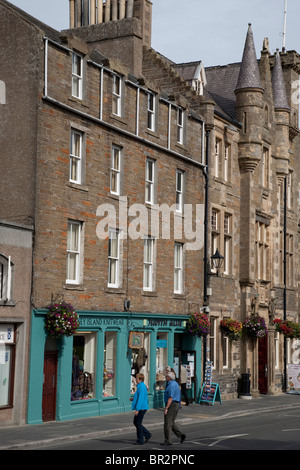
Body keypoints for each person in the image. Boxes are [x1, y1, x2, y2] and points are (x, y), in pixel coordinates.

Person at [161, 371, 186, 445]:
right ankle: (181, 435)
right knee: (171, 422)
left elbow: (170, 398)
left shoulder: (171, 385)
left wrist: (166, 408)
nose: (165, 377)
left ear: (169, 378)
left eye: (166, 376)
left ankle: (168, 440)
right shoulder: (175, 384)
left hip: (172, 404)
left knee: (167, 424)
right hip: (175, 404)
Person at [131, 373, 152, 445]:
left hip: (142, 408)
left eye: (136, 378)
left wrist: (137, 409)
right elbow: (138, 396)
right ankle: (147, 434)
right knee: (136, 423)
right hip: (141, 407)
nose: (135, 379)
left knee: (138, 423)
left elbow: (141, 398)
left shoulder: (142, 387)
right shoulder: (140, 386)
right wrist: (133, 399)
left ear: (140, 379)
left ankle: (140, 440)